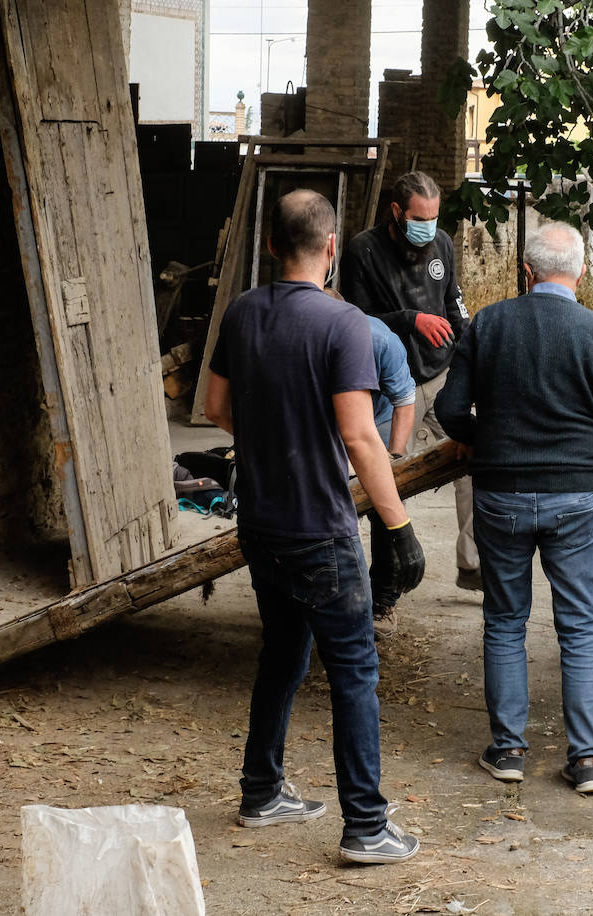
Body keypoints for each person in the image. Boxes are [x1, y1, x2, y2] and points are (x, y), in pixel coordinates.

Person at [203, 189, 424, 864]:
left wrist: (274, 437)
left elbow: (214, 405)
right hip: (320, 530)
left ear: (271, 245)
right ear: (331, 249)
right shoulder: (342, 323)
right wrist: (398, 524)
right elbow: (362, 438)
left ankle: (261, 791)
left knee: (283, 655)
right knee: (354, 670)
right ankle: (365, 825)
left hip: (261, 525)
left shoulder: (242, 312)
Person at [435, 222, 593, 795]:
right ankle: (587, 761)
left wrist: (483, 435)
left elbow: (450, 410)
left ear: (526, 271)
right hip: (576, 498)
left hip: (500, 495)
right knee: (578, 629)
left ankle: (508, 751)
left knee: (503, 623)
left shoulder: (488, 325)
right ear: (577, 272)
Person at [341, 171, 479, 614]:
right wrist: (410, 319)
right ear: (397, 212)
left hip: (442, 376)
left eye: (435, 217)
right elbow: (358, 320)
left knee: (479, 463)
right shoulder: (363, 249)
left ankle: (476, 568)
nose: (428, 226)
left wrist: (475, 362)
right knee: (389, 480)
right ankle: (384, 594)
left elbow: (456, 307)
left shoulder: (442, 244)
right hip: (391, 385)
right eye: (420, 217)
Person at [365, 315, 417, 637]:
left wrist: (393, 462)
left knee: (384, 505)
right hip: (323, 416)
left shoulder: (381, 341)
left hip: (379, 416)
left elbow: (404, 401)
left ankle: (383, 600)